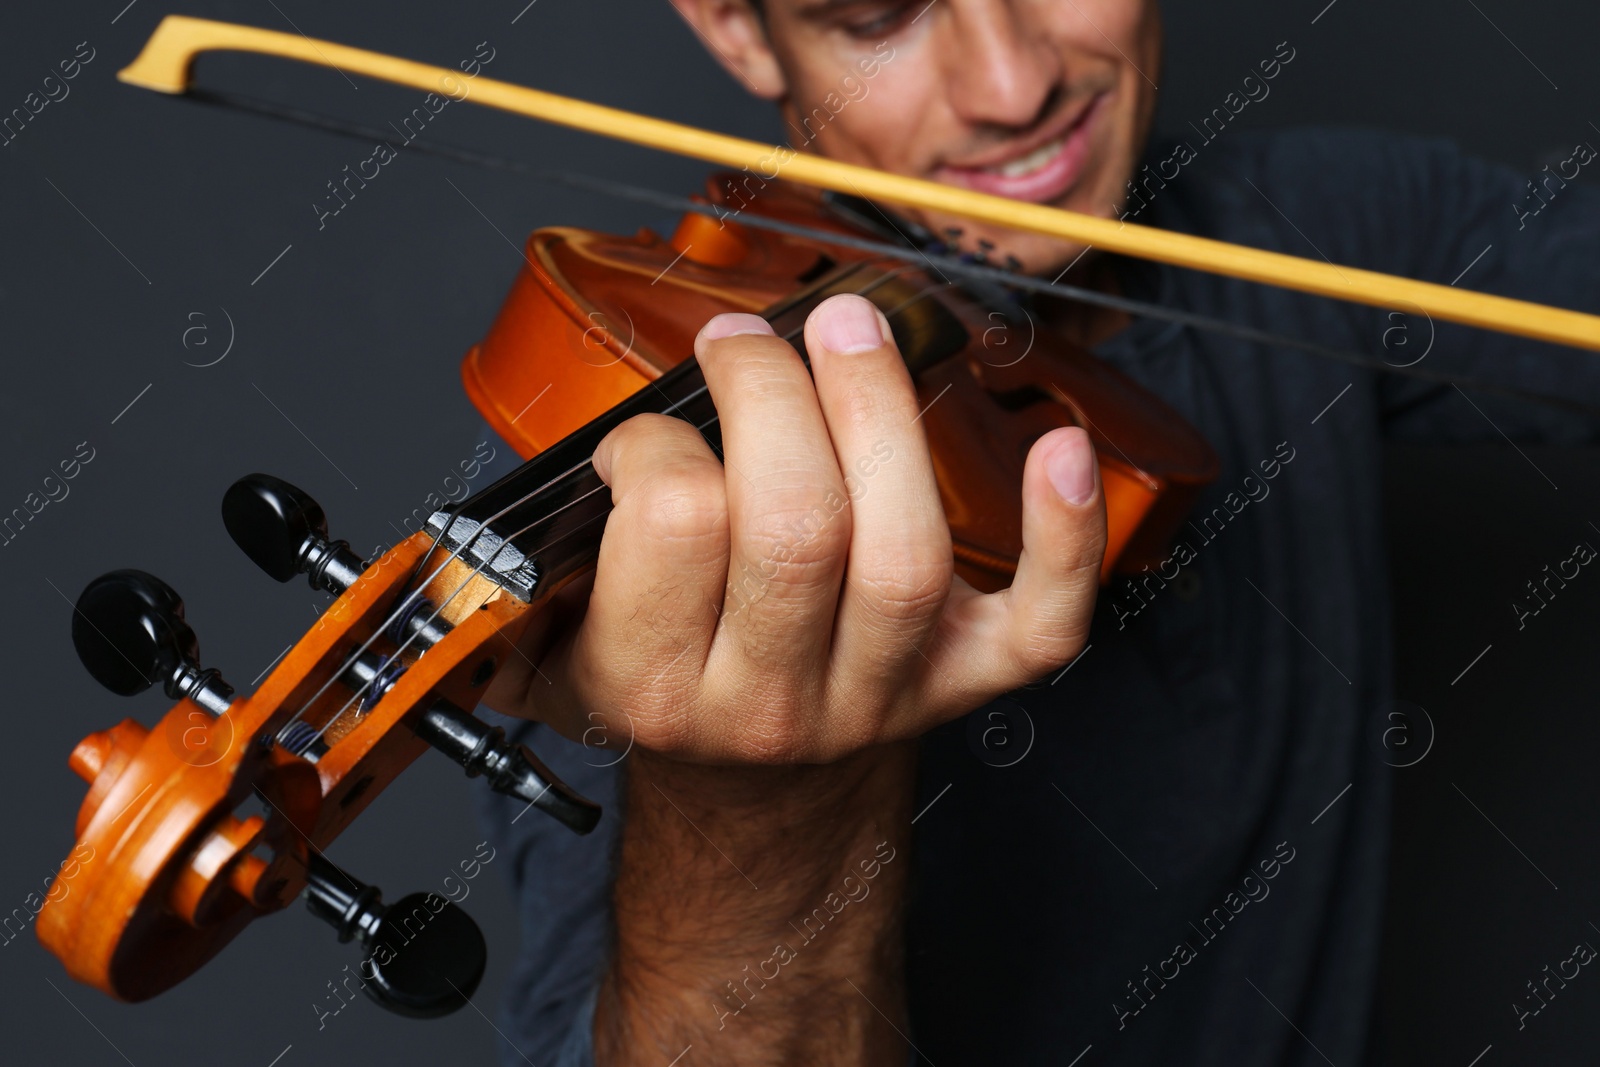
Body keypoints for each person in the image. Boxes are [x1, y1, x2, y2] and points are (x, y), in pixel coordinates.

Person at [471, 1, 1600, 1064]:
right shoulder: (651, 474)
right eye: (878, 17)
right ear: (735, 26)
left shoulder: (1319, 225)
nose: (1012, 88)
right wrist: (760, 803)